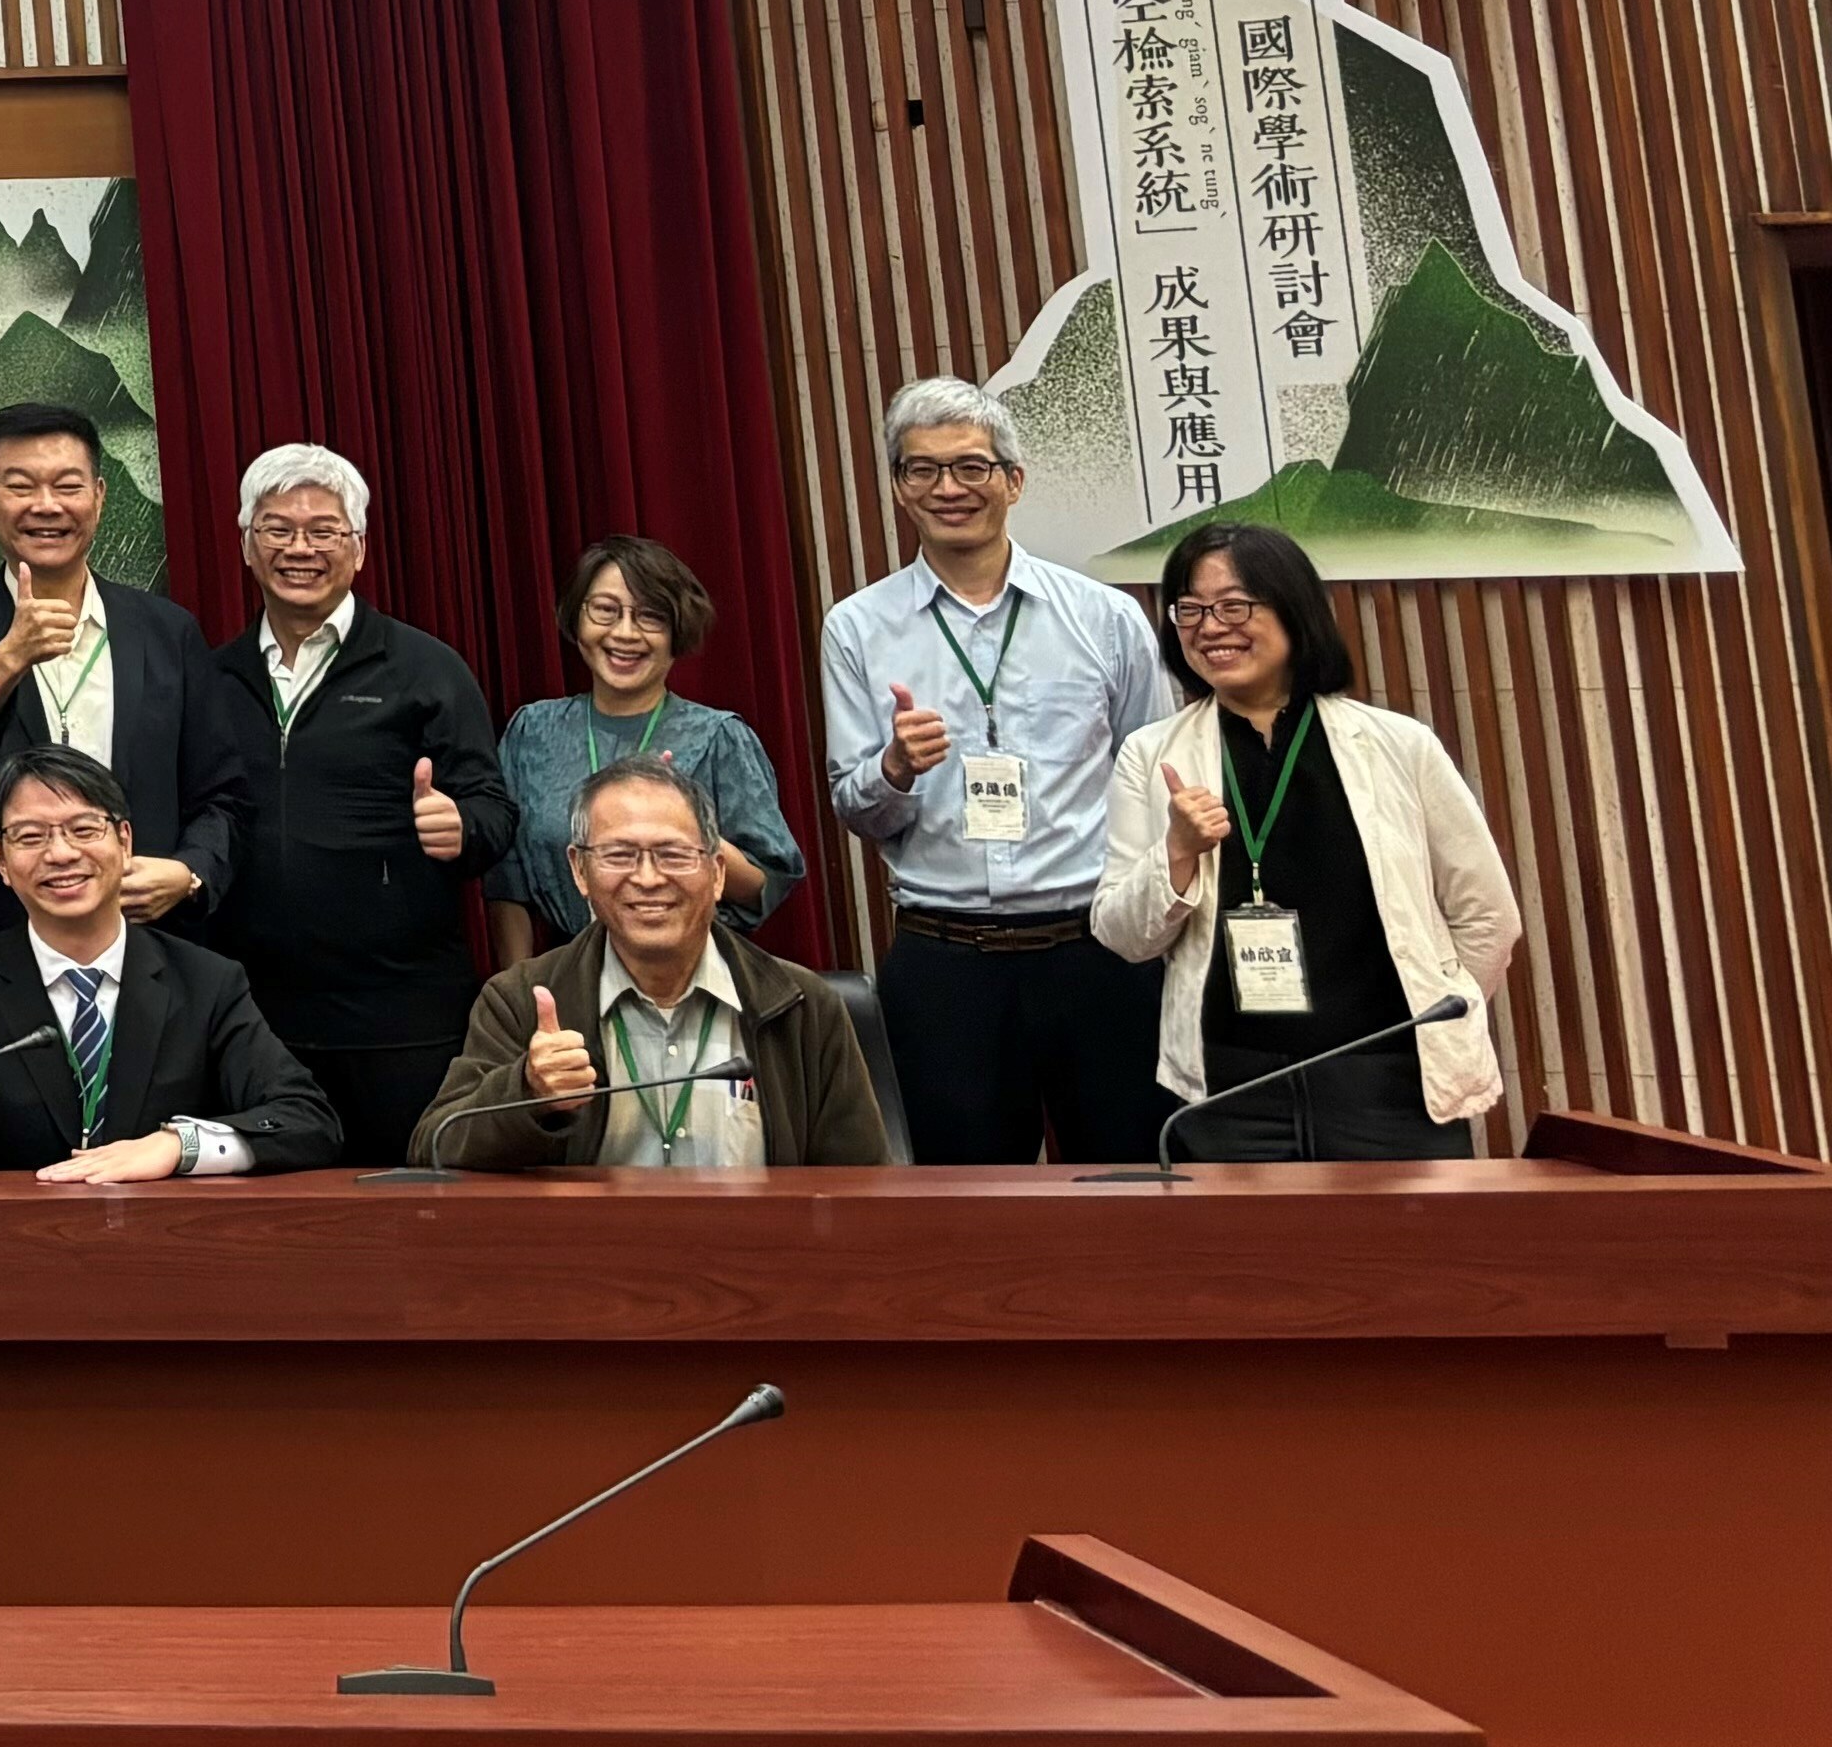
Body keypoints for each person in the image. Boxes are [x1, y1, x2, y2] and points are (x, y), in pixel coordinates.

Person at [818, 378, 1168, 1164]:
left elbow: (1152, 775)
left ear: (1013, 480)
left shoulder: (1104, 617)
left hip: (1098, 954)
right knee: (963, 1211)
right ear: (900, 489)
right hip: (947, 964)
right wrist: (897, 769)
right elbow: (855, 805)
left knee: (1131, 1188)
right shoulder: (858, 628)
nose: (948, 489)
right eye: (922, 470)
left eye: (971, 467)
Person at [1093, 524, 1523, 1162]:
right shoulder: (1153, 754)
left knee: (1408, 1262)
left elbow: (1488, 916)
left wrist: (1435, 1016)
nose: (1211, 626)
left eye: (1235, 605)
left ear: (1293, 607)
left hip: (1387, 1083)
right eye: (1191, 609)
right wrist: (1177, 851)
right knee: (1251, 1264)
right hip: (1227, 1093)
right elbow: (1120, 933)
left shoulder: (1399, 746)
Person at [203, 444, 512, 1168]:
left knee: (409, 1226)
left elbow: (497, 815)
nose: (300, 549)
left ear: (360, 548)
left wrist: (460, 827)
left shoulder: (425, 668)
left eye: (323, 531)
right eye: (277, 529)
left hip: (401, 1019)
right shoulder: (211, 677)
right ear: (248, 545)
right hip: (254, 1018)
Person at [0, 746, 337, 1179]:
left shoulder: (206, 983)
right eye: (30, 837)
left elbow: (307, 1120)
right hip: (16, 1248)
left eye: (83, 829)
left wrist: (179, 1145)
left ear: (124, 840)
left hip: (164, 1247)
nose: (60, 854)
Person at [0, 402, 254, 951]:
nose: (46, 506)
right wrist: (5, 662)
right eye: (20, 487)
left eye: (67, 485)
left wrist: (189, 874)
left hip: (150, 938)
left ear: (100, 497)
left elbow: (222, 793)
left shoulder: (167, 631)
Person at [425, 762, 897, 1170]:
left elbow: (861, 1186)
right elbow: (435, 1146)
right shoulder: (521, 1000)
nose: (648, 879)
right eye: (619, 855)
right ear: (580, 871)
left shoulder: (803, 1006)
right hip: (588, 1267)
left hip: (754, 1266)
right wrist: (526, 1092)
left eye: (672, 855)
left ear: (716, 873)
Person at [486, 536, 803, 960]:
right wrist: (522, 995)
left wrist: (692, 838)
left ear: (677, 631)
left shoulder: (719, 736)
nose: (624, 633)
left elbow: (769, 882)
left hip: (688, 969)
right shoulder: (533, 731)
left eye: (650, 617)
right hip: (565, 978)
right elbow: (508, 880)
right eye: (605, 610)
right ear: (577, 618)